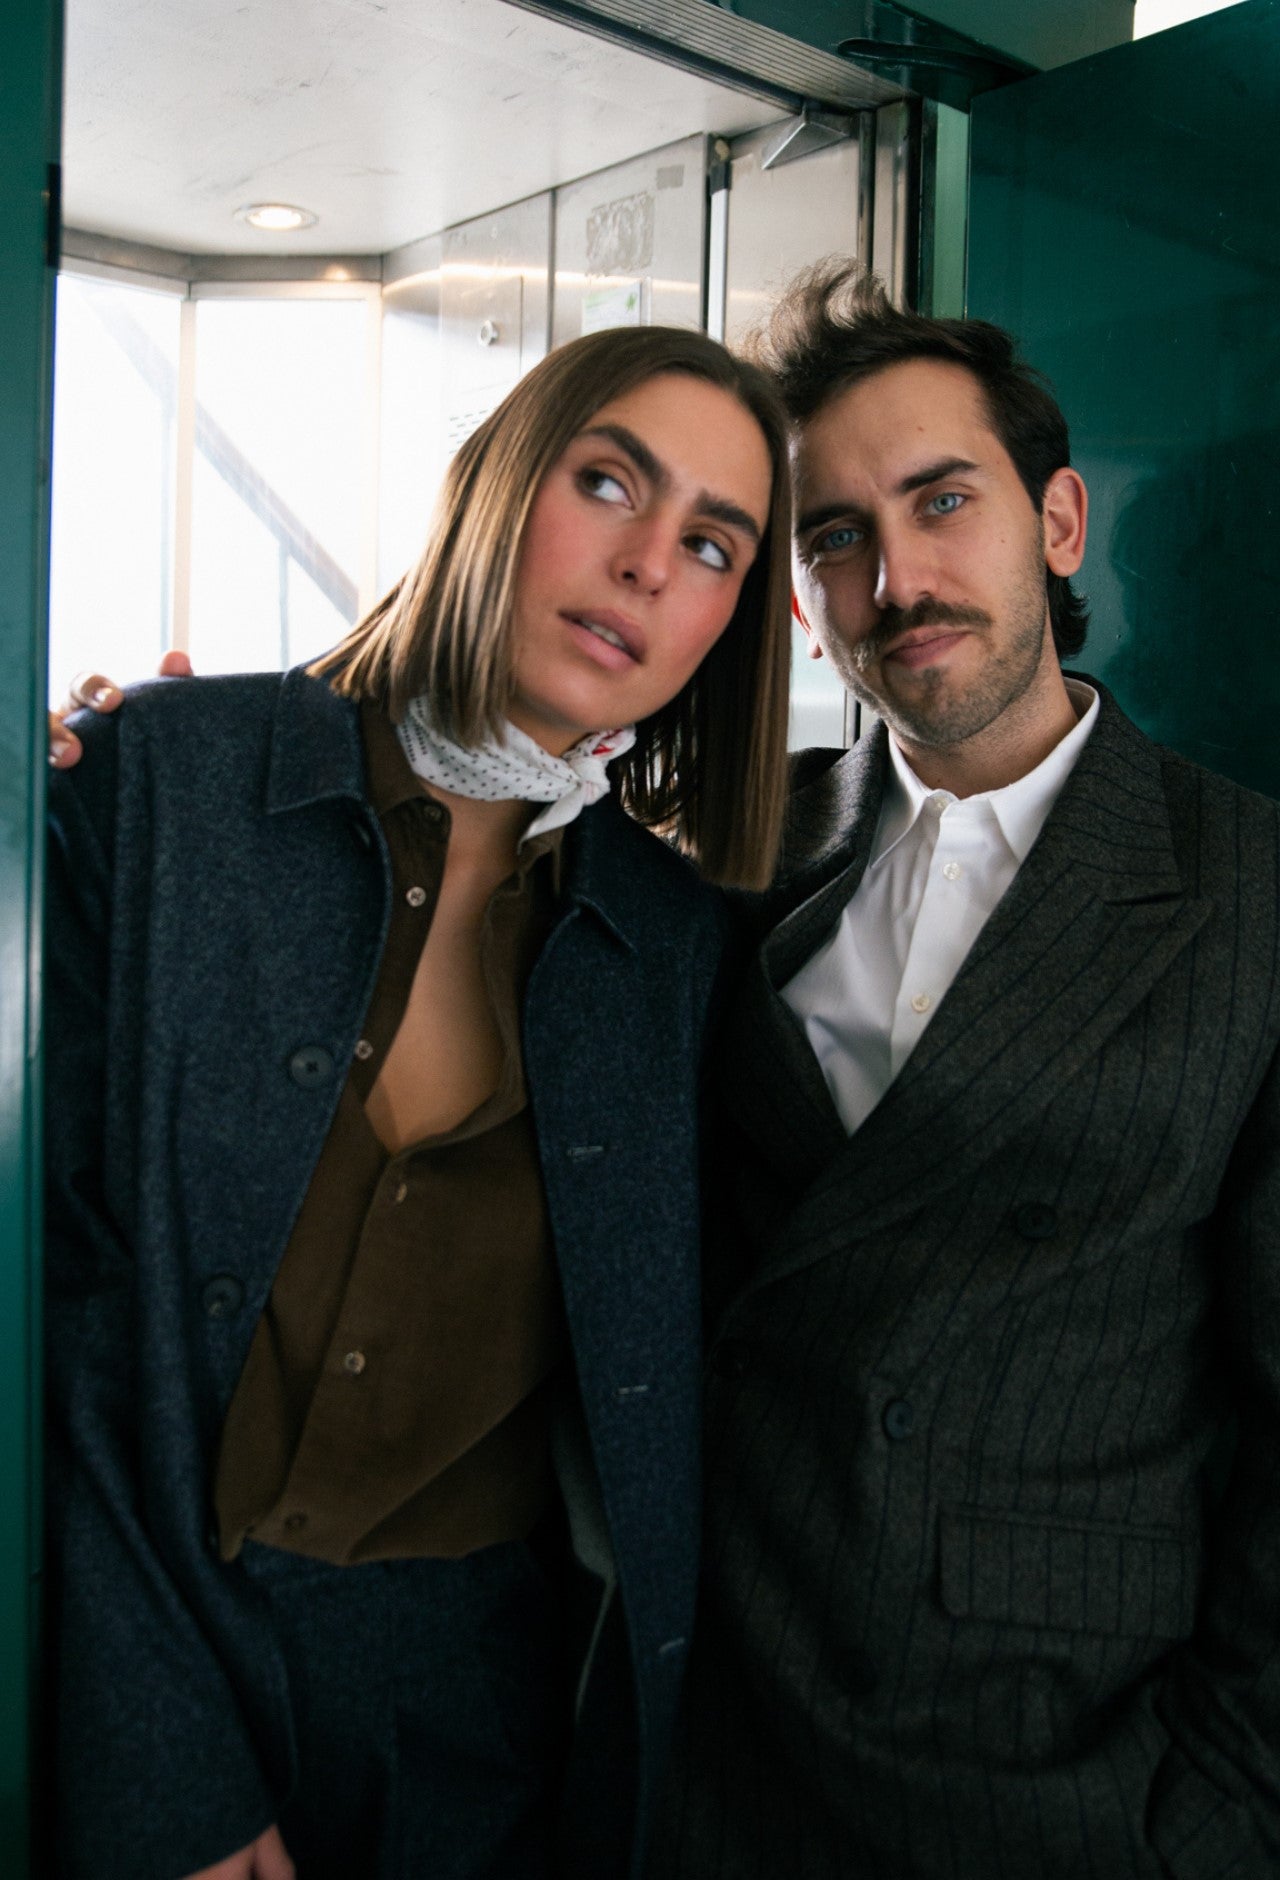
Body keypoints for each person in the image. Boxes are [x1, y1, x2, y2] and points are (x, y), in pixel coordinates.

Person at [44, 322, 793, 1880]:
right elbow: (56, 1299)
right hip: (128, 1640)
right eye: (610, 483)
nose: (649, 565)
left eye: (714, 544)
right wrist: (163, 1755)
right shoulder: (160, 781)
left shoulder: (680, 950)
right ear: (492, 485)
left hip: (476, 1727)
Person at [646, 260, 1280, 1878]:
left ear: (1057, 523)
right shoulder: (724, 850)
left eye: (943, 501)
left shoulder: (1252, 894)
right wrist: (101, 772)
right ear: (801, 597)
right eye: (835, 538)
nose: (899, 579)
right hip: (722, 1726)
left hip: (1069, 1763)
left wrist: (1222, 1811)